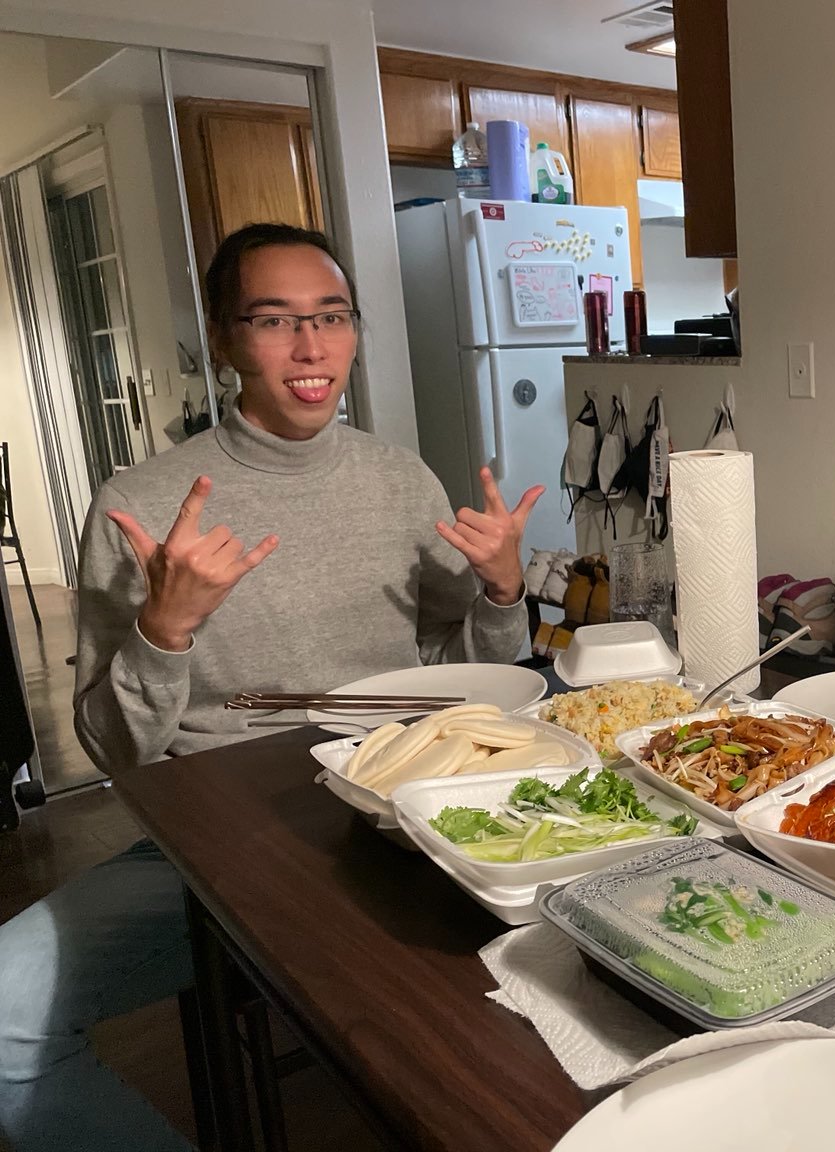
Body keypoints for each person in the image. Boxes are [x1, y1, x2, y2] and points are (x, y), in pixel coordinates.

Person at [0, 222, 541, 1151]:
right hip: (229, 840)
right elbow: (115, 752)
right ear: (224, 340)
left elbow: (468, 660)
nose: (311, 346)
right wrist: (165, 630)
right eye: (275, 320)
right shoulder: (139, 505)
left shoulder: (397, 477)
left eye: (332, 316)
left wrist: (502, 587)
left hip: (411, 811)